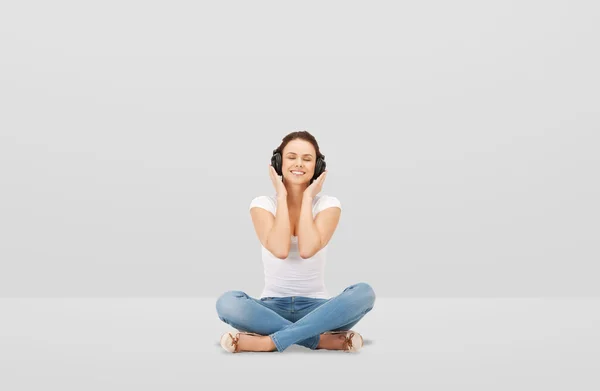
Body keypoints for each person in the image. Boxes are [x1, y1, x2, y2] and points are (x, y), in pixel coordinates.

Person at [215, 130, 376, 353]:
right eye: (291, 157)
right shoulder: (263, 204)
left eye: (307, 159)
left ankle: (269, 342)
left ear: (317, 167)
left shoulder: (328, 204)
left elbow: (307, 249)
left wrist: (308, 197)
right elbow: (280, 249)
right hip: (269, 308)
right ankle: (319, 340)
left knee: (364, 293)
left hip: (319, 310)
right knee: (228, 302)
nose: (298, 163)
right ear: (279, 162)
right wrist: (281, 195)